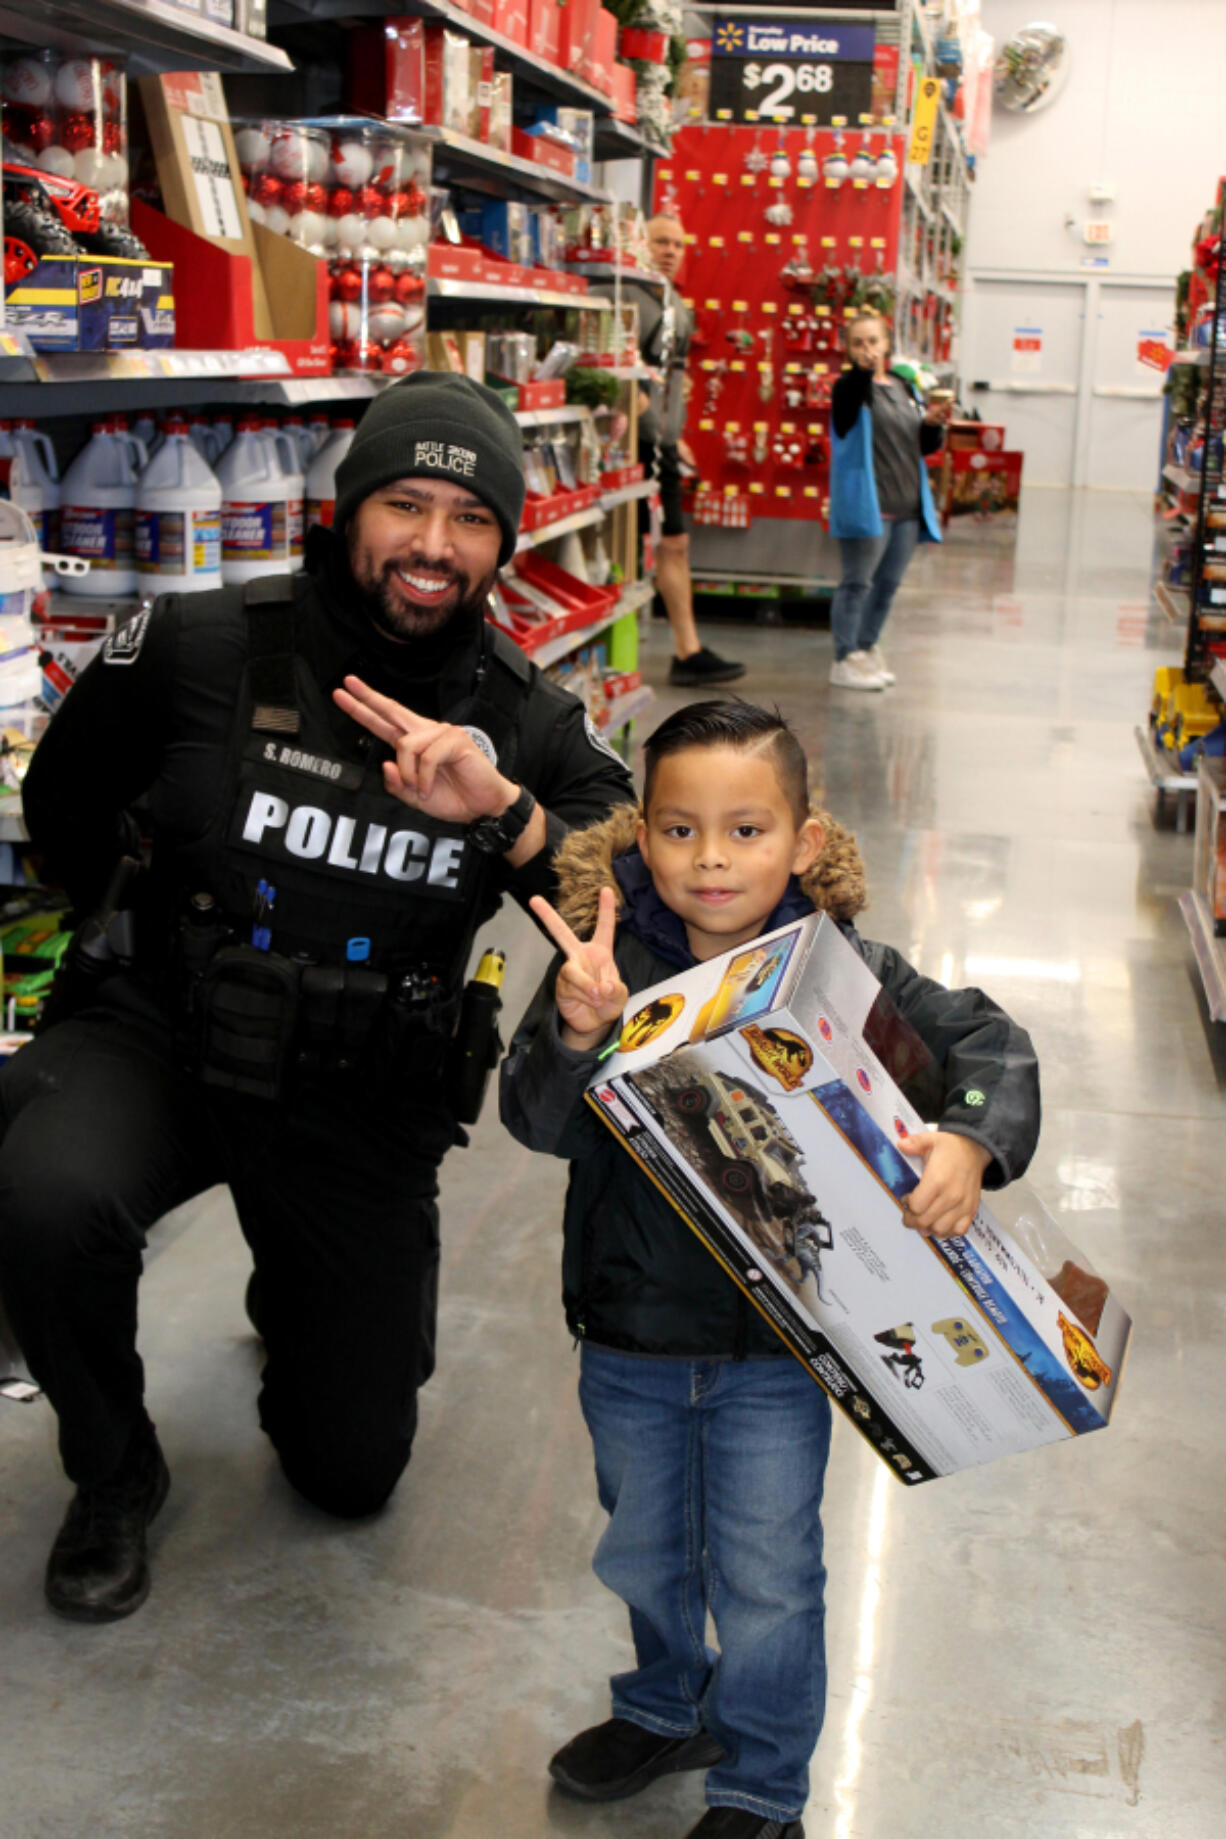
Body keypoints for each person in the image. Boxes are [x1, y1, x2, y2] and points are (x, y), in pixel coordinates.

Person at [0, 372, 635, 1624]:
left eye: (469, 518)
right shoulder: (199, 642)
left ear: (504, 542)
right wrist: (143, 934)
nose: (432, 546)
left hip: (362, 1077)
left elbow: (631, 879)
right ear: (347, 511)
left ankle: (314, 1291)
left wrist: (503, 813)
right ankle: (114, 1471)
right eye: (405, 503)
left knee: (348, 1472)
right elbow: (67, 802)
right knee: (40, 1186)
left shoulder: (523, 714)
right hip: (164, 1032)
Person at [500, 699, 1040, 1839]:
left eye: (746, 830)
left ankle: (760, 1786)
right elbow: (538, 1124)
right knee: (642, 1550)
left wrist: (969, 1137)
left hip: (779, 1353)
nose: (710, 859)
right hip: (629, 1336)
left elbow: (988, 1042)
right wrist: (576, 1032)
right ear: (641, 835)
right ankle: (663, 1706)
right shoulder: (601, 963)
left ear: (802, 841)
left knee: (767, 1577)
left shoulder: (845, 966)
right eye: (681, 829)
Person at [621, 214, 745, 688]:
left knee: (675, 541)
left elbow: (674, 375)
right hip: (628, 439)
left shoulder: (675, 303)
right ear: (641, 243)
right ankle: (621, 658)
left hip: (663, 440)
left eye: (677, 243)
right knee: (630, 546)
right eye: (661, 242)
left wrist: (675, 429)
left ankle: (687, 650)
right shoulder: (623, 292)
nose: (670, 250)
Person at [827, 312, 949, 692]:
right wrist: (863, 372)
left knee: (887, 585)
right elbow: (848, 407)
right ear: (847, 350)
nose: (867, 350)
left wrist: (931, 424)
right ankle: (844, 657)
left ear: (887, 344)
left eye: (873, 341)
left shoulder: (902, 386)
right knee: (857, 583)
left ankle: (866, 647)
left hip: (908, 504)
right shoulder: (848, 388)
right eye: (858, 343)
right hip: (870, 505)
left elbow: (920, 445)